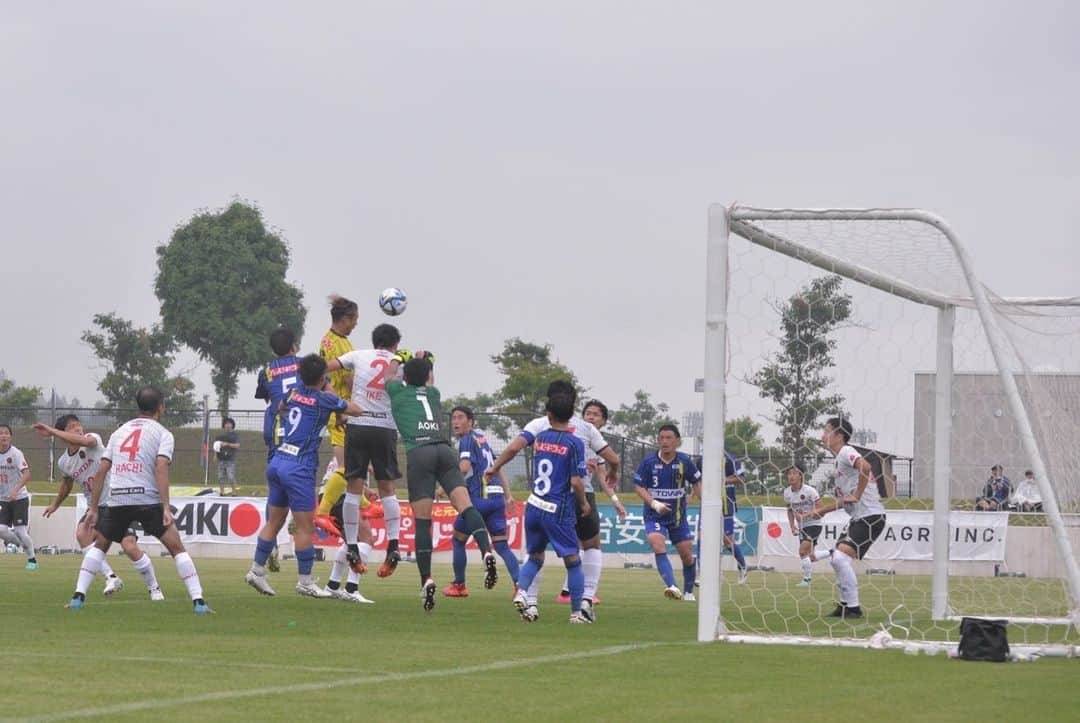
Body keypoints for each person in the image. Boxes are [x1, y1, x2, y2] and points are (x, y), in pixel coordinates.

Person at [66, 387, 212, 614]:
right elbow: (161, 466)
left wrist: (94, 507)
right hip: (147, 499)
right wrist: (165, 506)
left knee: (100, 546)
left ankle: (78, 597)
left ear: (138, 406)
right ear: (161, 407)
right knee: (177, 548)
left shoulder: (119, 432)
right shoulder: (163, 434)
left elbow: (102, 470)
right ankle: (199, 601)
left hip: (118, 498)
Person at [245, 354, 368, 599]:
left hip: (278, 460)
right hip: (298, 467)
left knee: (274, 521)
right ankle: (305, 581)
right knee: (305, 528)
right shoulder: (324, 400)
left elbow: (280, 408)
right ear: (323, 378)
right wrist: (341, 404)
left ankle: (256, 571)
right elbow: (356, 409)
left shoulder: (291, 392)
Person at [385, 355, 497, 611]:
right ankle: (486, 551)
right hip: (445, 451)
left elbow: (388, 378)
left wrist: (396, 359)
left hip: (420, 451)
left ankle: (426, 580)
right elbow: (430, 379)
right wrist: (427, 362)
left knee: (423, 522)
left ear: (405, 377)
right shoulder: (433, 393)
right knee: (466, 507)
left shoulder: (398, 393)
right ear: (426, 377)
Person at [488, 387, 592, 624]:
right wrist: (584, 503)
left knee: (534, 557)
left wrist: (495, 467)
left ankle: (522, 591)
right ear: (571, 414)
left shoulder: (540, 438)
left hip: (534, 505)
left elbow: (518, 449)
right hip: (558, 509)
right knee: (573, 561)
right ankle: (577, 613)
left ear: (549, 415)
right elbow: (576, 481)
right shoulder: (575, 443)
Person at [35, 415, 163, 598]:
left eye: (79, 425)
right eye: (72, 427)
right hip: (95, 507)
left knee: (129, 546)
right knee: (82, 535)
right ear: (64, 433)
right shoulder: (64, 462)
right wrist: (55, 504)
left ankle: (154, 588)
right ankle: (111, 577)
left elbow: (83, 440)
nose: (79, 428)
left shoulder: (93, 440)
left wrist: (52, 432)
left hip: (117, 502)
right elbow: (67, 484)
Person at [325, 323, 406, 577]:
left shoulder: (358, 355)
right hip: (384, 427)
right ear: (395, 344)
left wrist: (330, 390)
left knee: (353, 488)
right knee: (388, 490)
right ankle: (393, 546)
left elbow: (329, 366)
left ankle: (351, 547)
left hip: (358, 424)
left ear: (374, 342)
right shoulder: (397, 363)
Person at [530, 396, 624, 610]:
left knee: (561, 545)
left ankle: (536, 595)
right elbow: (613, 462)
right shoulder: (582, 435)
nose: (590, 417)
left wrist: (615, 500)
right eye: (588, 413)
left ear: (604, 421)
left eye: (596, 414)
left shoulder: (590, 442)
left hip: (549, 496)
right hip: (571, 495)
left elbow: (603, 477)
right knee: (585, 545)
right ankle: (583, 598)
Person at [802, 417, 886, 619]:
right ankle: (846, 605)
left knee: (839, 558)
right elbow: (846, 500)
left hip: (870, 516)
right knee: (838, 559)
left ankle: (853, 608)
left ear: (839, 436)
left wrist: (857, 494)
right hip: (859, 518)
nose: (823, 435)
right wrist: (822, 511)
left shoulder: (846, 452)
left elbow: (866, 468)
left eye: (826, 430)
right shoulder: (839, 462)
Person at [443, 405, 519, 597]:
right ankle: (521, 586)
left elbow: (464, 467)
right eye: (453, 418)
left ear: (470, 421)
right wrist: (507, 495)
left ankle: (459, 585)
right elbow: (498, 466)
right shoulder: (482, 439)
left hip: (478, 498)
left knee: (458, 540)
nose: (455, 422)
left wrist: (445, 485)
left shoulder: (467, 440)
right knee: (502, 545)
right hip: (496, 498)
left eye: (460, 418)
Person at [634, 424, 701, 601]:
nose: (664, 441)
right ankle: (672, 586)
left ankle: (688, 592)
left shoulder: (684, 461)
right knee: (657, 544)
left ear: (677, 441)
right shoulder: (649, 462)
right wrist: (654, 503)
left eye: (669, 438)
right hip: (654, 515)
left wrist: (703, 502)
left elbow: (697, 482)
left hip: (678, 517)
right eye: (661, 438)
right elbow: (639, 487)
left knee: (686, 555)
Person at [313, 295, 359, 538]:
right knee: (344, 467)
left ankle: (361, 503)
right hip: (340, 413)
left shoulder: (339, 341)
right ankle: (322, 512)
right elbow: (331, 378)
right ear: (346, 318)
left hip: (345, 411)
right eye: (355, 320)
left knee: (353, 467)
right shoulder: (333, 343)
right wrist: (342, 406)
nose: (356, 325)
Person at [0, 424, 37, 569]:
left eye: (6, 433)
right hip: (3, 499)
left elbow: (27, 474)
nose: (3, 436)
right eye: (1, 433)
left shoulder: (16, 453)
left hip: (19, 498)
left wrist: (15, 489)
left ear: (10, 437)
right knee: (1, 530)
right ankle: (20, 544)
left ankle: (32, 559)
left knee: (21, 531)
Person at [782, 463, 821, 587]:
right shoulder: (787, 493)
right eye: (789, 473)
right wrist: (792, 525)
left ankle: (807, 580)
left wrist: (806, 516)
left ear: (801, 476)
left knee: (802, 551)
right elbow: (789, 510)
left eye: (794, 473)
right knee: (810, 556)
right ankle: (832, 552)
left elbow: (821, 509)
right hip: (802, 527)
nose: (791, 476)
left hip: (814, 524)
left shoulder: (810, 491)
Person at [215, 417, 240, 495]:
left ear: (232, 425)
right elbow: (216, 446)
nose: (228, 425)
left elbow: (237, 445)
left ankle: (234, 492)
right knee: (220, 477)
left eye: (229, 423)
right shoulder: (220, 436)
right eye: (226, 424)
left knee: (231, 477)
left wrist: (227, 444)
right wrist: (215, 455)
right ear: (224, 425)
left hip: (230, 460)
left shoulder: (235, 435)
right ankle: (222, 492)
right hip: (221, 459)